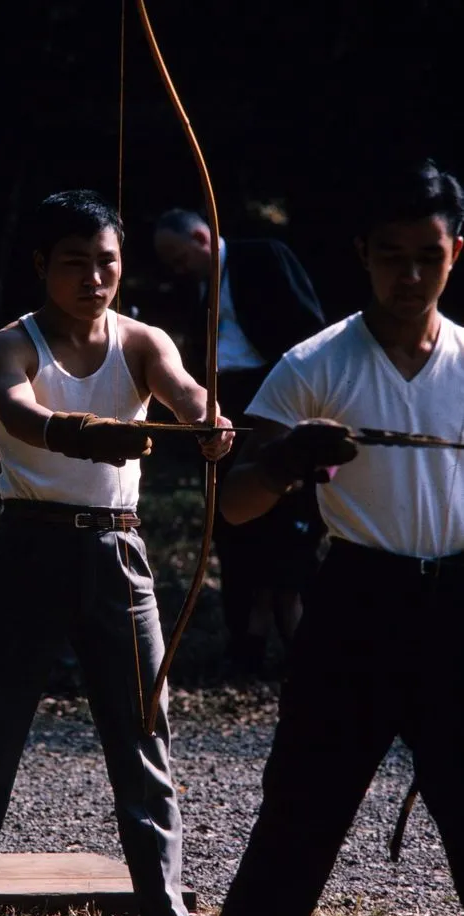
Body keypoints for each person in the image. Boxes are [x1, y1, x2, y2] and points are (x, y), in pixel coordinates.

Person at [0, 189, 233, 916]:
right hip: (26, 548)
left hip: (116, 551)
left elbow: (183, 392)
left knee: (143, 739)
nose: (94, 278)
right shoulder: (10, 343)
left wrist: (208, 421)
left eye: (106, 262)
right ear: (42, 266)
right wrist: (79, 433)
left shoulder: (142, 340)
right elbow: (14, 410)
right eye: (74, 263)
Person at [203, 158, 464, 916]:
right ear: (362, 253)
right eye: (391, 254)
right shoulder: (316, 362)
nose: (409, 274)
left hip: (455, 608)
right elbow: (233, 506)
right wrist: (282, 460)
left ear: (455, 251)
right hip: (357, 604)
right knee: (295, 831)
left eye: (427, 254)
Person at [154, 211, 326, 675]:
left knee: (287, 522)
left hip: (275, 398)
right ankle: (245, 642)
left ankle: (301, 642)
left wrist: (301, 403)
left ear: (200, 236)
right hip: (223, 405)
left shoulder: (262, 257)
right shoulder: (195, 289)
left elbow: (309, 332)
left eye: (178, 256)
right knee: (231, 525)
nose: (176, 268)